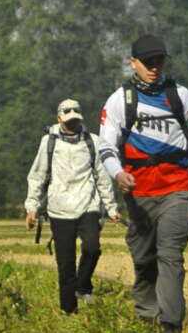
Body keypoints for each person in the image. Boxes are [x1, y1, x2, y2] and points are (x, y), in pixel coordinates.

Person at [98, 34, 188, 333]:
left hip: (176, 190)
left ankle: (170, 327)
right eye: (148, 63)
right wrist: (118, 174)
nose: (154, 68)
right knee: (144, 260)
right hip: (139, 195)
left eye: (159, 61)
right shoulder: (120, 100)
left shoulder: (180, 95)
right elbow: (106, 145)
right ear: (133, 63)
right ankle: (146, 317)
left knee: (170, 256)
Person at [24, 98, 121, 315]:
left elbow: (103, 177)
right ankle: (69, 312)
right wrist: (32, 207)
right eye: (68, 120)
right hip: (59, 209)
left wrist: (112, 208)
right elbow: (38, 176)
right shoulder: (48, 142)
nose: (72, 124)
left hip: (88, 205)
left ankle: (83, 285)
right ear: (59, 119)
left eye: (76, 120)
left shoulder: (93, 141)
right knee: (65, 264)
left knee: (92, 248)